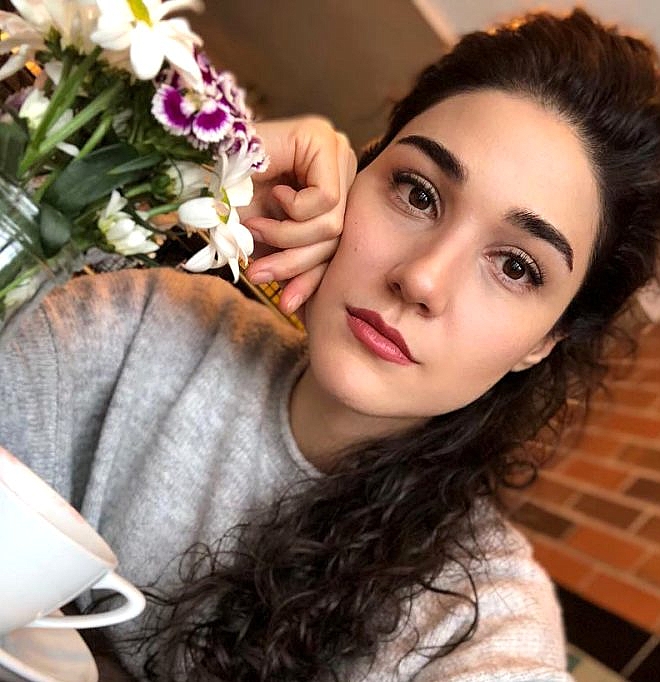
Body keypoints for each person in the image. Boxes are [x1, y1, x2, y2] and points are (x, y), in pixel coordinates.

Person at [1, 7, 659, 682]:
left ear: (544, 341)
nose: (422, 279)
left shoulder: (476, 622)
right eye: (418, 194)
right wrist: (169, 181)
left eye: (516, 267)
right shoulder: (143, 326)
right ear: (355, 178)